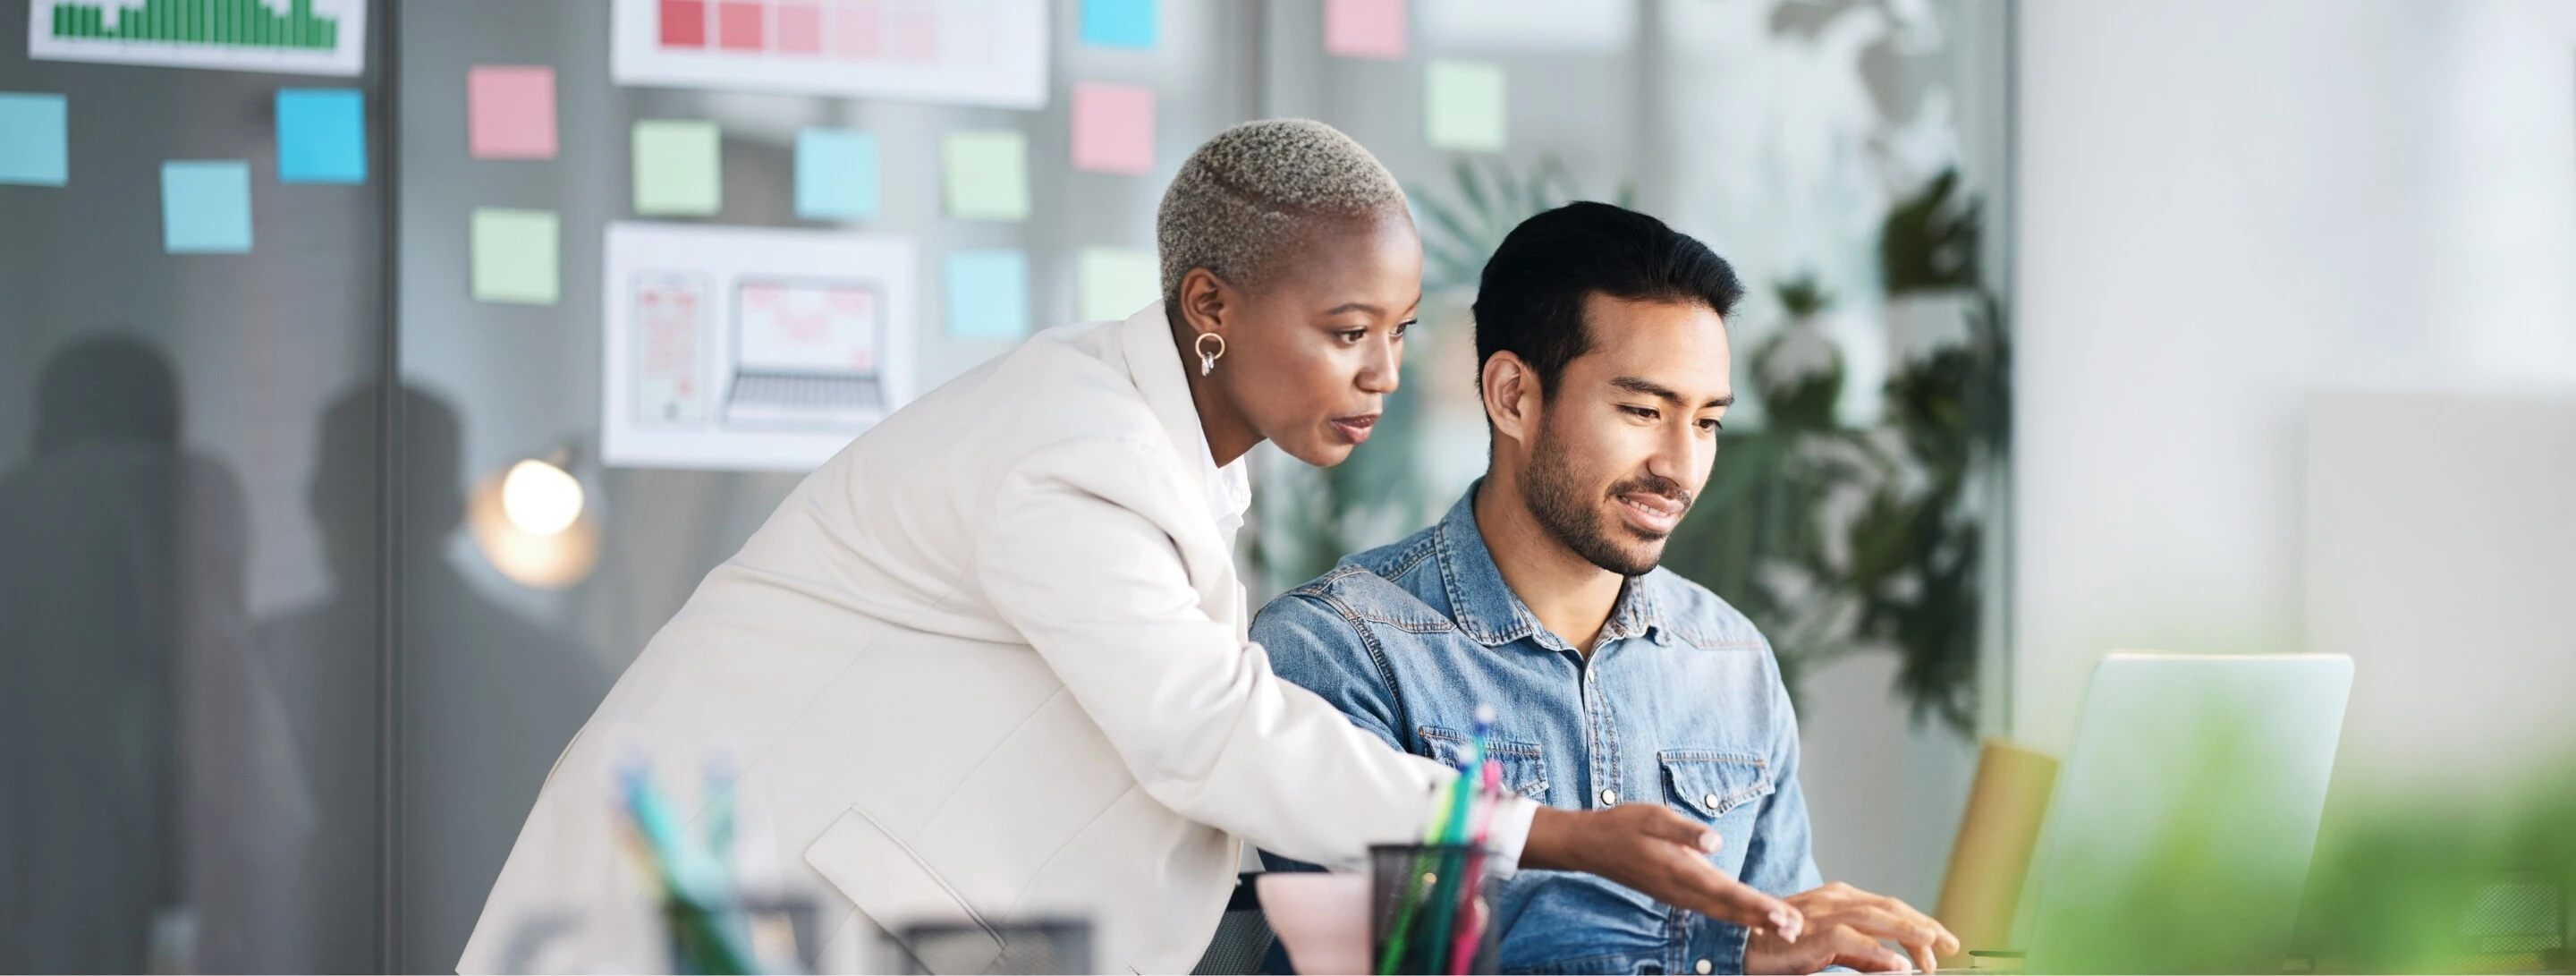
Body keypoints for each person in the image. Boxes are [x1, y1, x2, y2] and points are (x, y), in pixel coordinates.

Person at [460, 122, 1800, 973]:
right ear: (1210, 305)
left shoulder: (1166, 461)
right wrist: (1562, 833)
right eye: (1346, 330)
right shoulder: (1073, 450)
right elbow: (1209, 738)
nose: (1386, 372)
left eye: (1398, 330)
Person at [1252, 202, 1960, 974]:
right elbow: (1388, 961)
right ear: (1513, 395)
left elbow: (1787, 945)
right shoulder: (1338, 647)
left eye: (1706, 423)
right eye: (1642, 410)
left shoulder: (1729, 661)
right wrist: (1716, 950)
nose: (1680, 467)